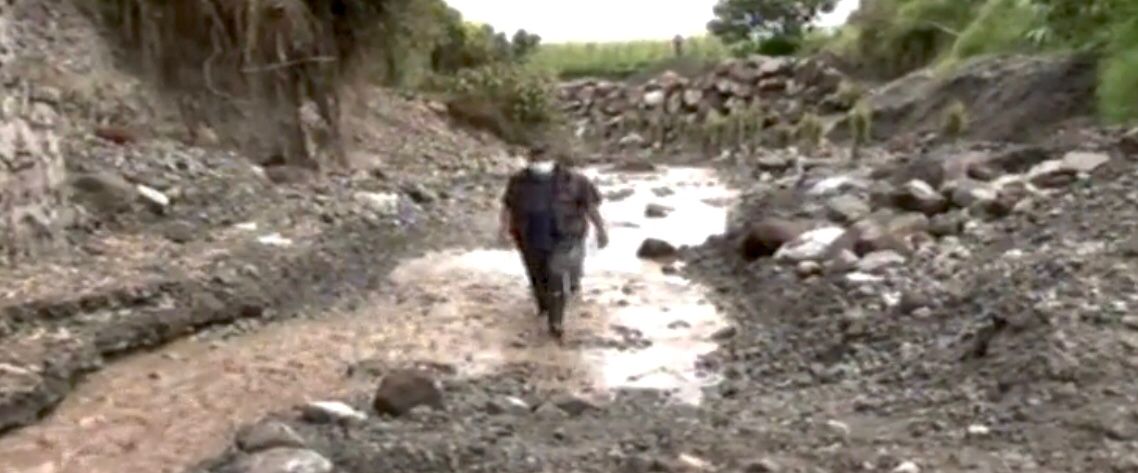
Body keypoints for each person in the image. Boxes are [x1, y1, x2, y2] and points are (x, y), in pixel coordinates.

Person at [499, 145, 608, 338]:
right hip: (529, 237)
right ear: (529, 160)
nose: (540, 163)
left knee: (556, 273)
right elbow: (508, 206)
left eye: (544, 158)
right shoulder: (518, 182)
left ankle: (556, 322)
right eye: (536, 159)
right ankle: (543, 306)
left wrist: (601, 230)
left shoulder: (575, 181)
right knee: (538, 276)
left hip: (566, 236)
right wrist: (504, 230)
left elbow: (591, 206)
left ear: (553, 159)